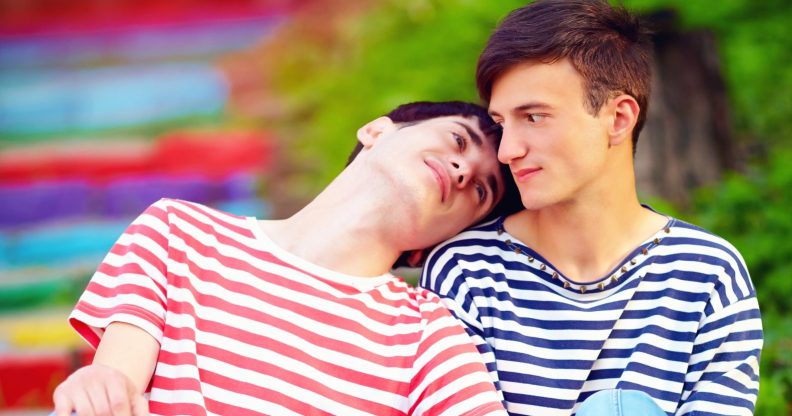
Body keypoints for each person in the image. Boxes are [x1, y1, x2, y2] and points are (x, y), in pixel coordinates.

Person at [52, 101, 519, 416]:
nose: (463, 169)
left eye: (481, 190)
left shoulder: (427, 334)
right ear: (377, 131)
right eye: (459, 141)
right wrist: (95, 387)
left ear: (436, 244)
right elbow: (118, 383)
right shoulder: (178, 231)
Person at [421, 1, 763, 415]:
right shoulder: (466, 269)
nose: (508, 150)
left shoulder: (708, 273)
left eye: (534, 117)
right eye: (501, 123)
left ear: (618, 118)